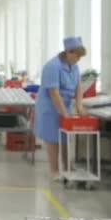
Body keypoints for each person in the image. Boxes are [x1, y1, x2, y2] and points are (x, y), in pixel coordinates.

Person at [35, 36, 87, 181]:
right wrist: (64, 113)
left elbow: (78, 87)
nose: (78, 60)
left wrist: (79, 106)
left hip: (65, 105)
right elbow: (54, 92)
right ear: (69, 52)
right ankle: (54, 171)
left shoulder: (74, 66)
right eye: (77, 56)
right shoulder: (52, 66)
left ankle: (68, 166)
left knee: (65, 137)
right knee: (53, 139)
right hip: (50, 107)